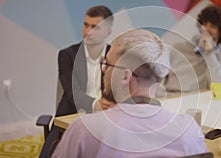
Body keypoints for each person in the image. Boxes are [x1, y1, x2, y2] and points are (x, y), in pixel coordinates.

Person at [52, 29, 208, 157]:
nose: (104, 70)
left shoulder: (84, 130)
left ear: (125, 76)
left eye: (107, 64)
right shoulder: (189, 131)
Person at [40, 5, 114, 157]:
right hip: (70, 117)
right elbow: (72, 91)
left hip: (107, 119)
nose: (88, 32)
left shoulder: (116, 56)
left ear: (108, 32)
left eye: (95, 27)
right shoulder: (67, 55)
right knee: (48, 154)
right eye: (86, 25)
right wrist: (95, 104)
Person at [163, 5, 221, 93]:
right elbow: (159, 77)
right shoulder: (178, 48)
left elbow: (217, 85)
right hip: (171, 96)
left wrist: (209, 53)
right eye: (204, 24)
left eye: (213, 26)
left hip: (199, 99)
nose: (206, 29)